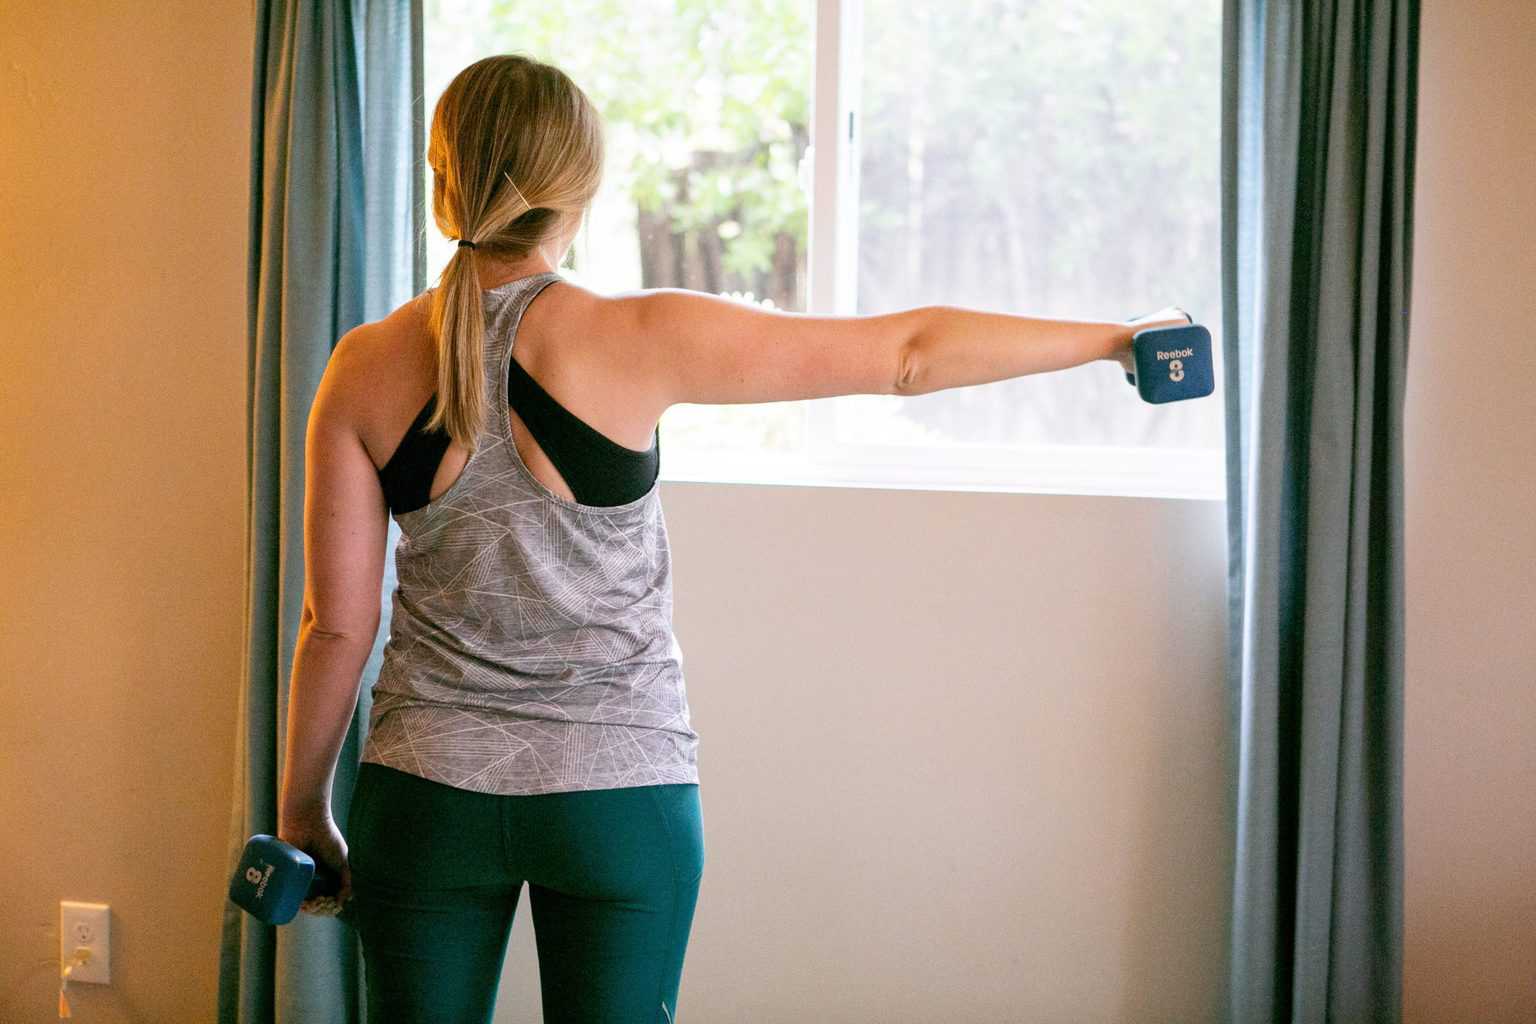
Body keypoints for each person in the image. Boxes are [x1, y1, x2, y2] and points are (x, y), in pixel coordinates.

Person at [275, 51, 1189, 1024]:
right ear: (576, 188)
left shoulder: (363, 366)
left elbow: (337, 625)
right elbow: (908, 357)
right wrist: (1114, 337)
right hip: (618, 803)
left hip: (426, 800)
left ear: (441, 173)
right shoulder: (639, 335)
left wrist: (303, 810)